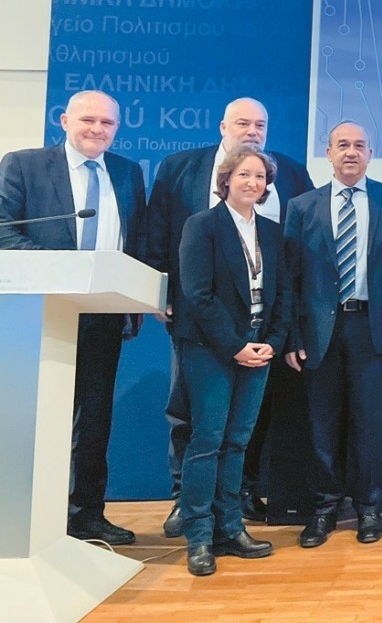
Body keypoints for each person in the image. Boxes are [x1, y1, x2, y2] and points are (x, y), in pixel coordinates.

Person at [146, 97, 313, 533]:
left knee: (241, 429)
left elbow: (291, 264)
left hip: (259, 330)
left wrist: (274, 338)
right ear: (223, 127)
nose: (252, 131)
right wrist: (161, 295)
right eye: (242, 123)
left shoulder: (292, 174)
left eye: (260, 124)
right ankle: (188, 504)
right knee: (195, 419)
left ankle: (234, 505)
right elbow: (158, 234)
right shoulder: (180, 169)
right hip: (201, 326)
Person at [0, 89, 146, 546]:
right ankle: (26, 514)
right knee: (39, 416)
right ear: (64, 121)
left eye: (107, 123)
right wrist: (64, 270)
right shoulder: (23, 165)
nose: (97, 129)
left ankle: (86, 514)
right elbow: (4, 230)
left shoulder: (127, 172)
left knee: (94, 418)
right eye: (88, 120)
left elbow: (135, 240)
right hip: (40, 313)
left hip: (101, 315)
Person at [283, 121, 382, 546]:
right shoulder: (302, 206)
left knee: (370, 423)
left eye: (359, 145)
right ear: (329, 154)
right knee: (322, 424)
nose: (351, 152)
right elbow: (290, 278)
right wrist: (293, 336)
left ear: (371, 154)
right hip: (319, 332)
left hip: (371, 328)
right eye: (342, 145)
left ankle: (369, 507)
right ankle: (324, 509)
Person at [175, 145, 291, 577]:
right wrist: (235, 345)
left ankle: (230, 528)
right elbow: (198, 295)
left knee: (238, 441)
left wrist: (272, 343)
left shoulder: (272, 232)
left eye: (259, 177)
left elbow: (283, 294)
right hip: (211, 349)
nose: (252, 182)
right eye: (244, 174)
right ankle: (199, 537)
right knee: (207, 441)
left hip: (259, 349)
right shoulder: (202, 226)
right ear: (226, 179)